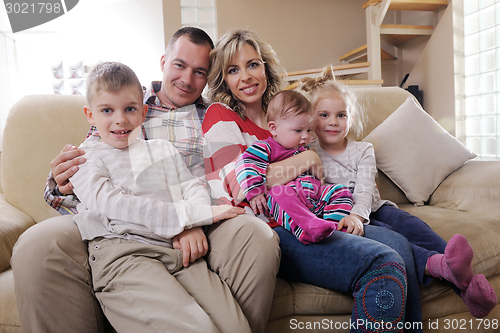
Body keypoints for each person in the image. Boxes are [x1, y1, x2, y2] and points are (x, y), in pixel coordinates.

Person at [11, 27, 280, 333]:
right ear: (164, 61)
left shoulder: (215, 115)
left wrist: (192, 221)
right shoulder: (125, 104)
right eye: (179, 65)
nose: (187, 79)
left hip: (198, 218)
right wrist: (60, 185)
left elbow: (224, 179)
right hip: (126, 227)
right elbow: (92, 180)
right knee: (37, 244)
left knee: (256, 236)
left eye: (199, 71)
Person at [202, 28, 420, 332]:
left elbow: (326, 168)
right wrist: (306, 159)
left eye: (253, 64)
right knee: (383, 261)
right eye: (233, 70)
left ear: (265, 66)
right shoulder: (220, 115)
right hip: (277, 229)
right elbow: (239, 187)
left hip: (317, 214)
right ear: (224, 79)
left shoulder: (288, 112)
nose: (246, 77)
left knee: (399, 244)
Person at [301, 66, 498, 318]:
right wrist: (351, 219)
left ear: (351, 118)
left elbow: (364, 191)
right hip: (342, 216)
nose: (333, 122)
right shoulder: (309, 154)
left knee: (414, 226)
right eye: (324, 115)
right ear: (311, 118)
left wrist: (358, 215)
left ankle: (466, 284)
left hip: (373, 208)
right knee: (395, 239)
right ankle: (440, 267)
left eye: (341, 115)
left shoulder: (363, 150)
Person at [69, 61, 249, 332]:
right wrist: (192, 216)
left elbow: (194, 187)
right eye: (107, 110)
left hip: (177, 251)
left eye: (130, 109)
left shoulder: (161, 149)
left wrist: (193, 223)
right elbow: (111, 203)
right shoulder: (84, 158)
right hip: (125, 253)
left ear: (142, 112)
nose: (120, 119)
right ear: (90, 115)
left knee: (236, 327)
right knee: (197, 328)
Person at [235, 90, 354, 245]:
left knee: (341, 191)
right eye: (298, 130)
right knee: (279, 192)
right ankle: (306, 231)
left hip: (314, 199)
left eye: (308, 130)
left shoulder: (304, 150)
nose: (305, 136)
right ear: (274, 128)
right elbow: (245, 164)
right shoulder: (266, 147)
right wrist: (255, 191)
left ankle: (331, 228)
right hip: (289, 203)